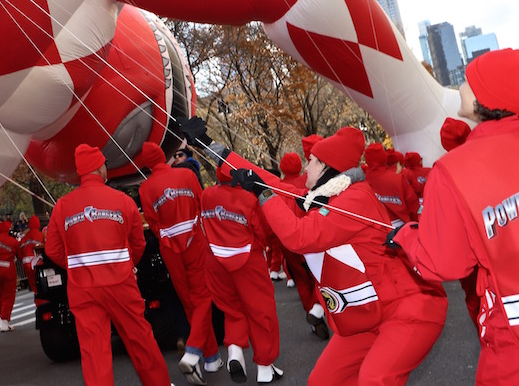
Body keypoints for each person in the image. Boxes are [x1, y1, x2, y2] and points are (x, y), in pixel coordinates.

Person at [178, 117, 448, 385]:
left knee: (374, 379)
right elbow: (273, 183)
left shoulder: (355, 198)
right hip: (366, 317)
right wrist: (211, 146)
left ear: (328, 167)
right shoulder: (323, 198)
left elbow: (300, 237)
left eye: (313, 162)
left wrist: (263, 196)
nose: (307, 166)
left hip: (408, 312)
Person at [390, 48, 519, 384]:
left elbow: (441, 264)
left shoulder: (453, 171)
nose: (460, 85)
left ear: (488, 96)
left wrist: (406, 236)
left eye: (468, 79)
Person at [44, 144, 170, 386]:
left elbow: (53, 250)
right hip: (121, 284)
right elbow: (138, 244)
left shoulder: (62, 206)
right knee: (141, 341)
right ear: (100, 168)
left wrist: (77, 268)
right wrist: (127, 265)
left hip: (83, 289)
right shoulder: (122, 201)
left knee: (94, 353)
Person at [138, 142, 221, 386]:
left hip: (170, 247)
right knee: (203, 297)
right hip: (194, 239)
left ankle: (212, 357)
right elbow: (200, 203)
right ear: (164, 157)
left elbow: (152, 223)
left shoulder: (145, 188)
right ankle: (195, 351)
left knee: (189, 302)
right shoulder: (186, 174)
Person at [200, 165, 284, 383]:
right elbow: (264, 232)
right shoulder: (248, 199)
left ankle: (235, 351)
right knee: (261, 311)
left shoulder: (206, 195)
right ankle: (265, 367)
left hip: (215, 261)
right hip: (247, 260)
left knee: (232, 310)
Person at [279, 152, 329, 340]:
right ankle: (318, 307)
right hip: (310, 237)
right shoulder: (308, 181)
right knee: (319, 276)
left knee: (301, 281)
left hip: (289, 242)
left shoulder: (278, 187)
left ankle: (312, 310)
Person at [363, 143, 420, 227]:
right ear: (383, 157)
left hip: (377, 230)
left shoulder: (362, 182)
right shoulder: (398, 179)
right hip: (401, 229)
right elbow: (413, 206)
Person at [19, 215, 45, 294]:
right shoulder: (41, 235)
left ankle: (37, 297)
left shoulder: (24, 238)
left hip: (26, 264)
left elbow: (20, 253)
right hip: (37, 263)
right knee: (42, 284)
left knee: (34, 286)